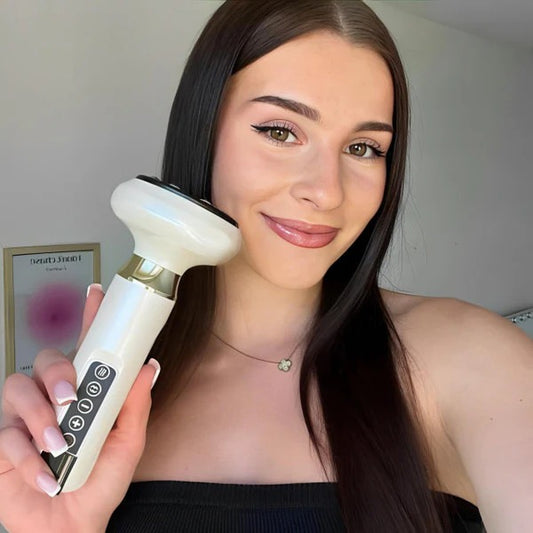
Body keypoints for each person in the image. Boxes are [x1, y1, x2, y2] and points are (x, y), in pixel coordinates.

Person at [1, 1, 532, 531]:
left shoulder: (471, 360)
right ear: (203, 130)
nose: (327, 191)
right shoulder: (98, 404)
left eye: (363, 147)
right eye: (281, 131)